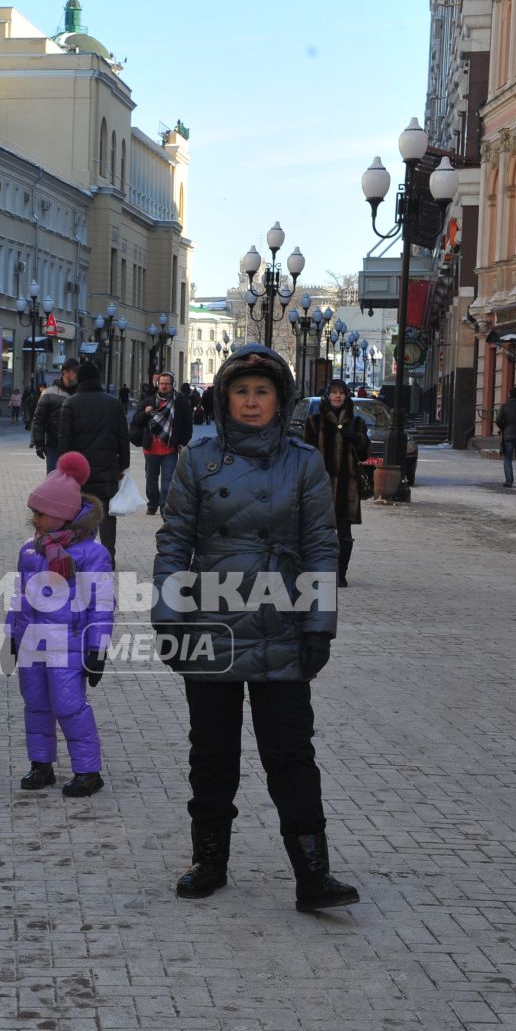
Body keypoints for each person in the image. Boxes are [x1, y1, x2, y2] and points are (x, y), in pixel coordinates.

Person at [152, 343, 358, 912]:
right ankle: (208, 861)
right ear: (223, 398)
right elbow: (174, 543)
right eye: (240, 391)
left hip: (282, 625)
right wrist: (168, 616)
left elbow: (321, 544)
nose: (250, 401)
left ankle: (313, 874)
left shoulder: (303, 461)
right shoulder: (199, 460)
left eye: (261, 392)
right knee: (212, 754)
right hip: (210, 624)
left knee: (290, 752)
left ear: (279, 399)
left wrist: (320, 625)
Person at [8, 451, 111, 798]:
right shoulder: (31, 550)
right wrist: (11, 635)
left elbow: (101, 605)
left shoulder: (91, 555)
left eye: (41, 513)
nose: (34, 519)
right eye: (34, 512)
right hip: (33, 642)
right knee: (35, 703)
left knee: (69, 705)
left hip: (68, 643)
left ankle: (88, 770)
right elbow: (20, 596)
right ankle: (41, 765)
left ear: (63, 515)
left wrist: (97, 648)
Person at [52, 359, 130, 561]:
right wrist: (123, 465)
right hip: (107, 468)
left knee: (78, 512)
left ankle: (79, 556)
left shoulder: (71, 403)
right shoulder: (113, 403)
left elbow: (64, 440)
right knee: (106, 514)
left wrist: (63, 469)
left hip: (79, 472)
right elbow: (123, 437)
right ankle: (108, 556)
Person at [301, 379, 371, 587]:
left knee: (345, 533)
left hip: (347, 489)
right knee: (318, 532)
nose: (338, 396)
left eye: (341, 393)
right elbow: (306, 455)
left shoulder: (356, 423)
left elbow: (365, 455)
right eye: (334, 392)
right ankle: (318, 572)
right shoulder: (314, 422)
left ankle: (341, 574)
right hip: (321, 487)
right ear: (327, 396)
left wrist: (357, 438)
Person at [135, 372, 192, 515]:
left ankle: (164, 507)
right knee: (151, 481)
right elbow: (136, 420)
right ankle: (152, 503)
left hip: (170, 448)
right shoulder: (150, 401)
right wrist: (145, 413)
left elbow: (187, 425)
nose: (164, 386)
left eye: (167, 384)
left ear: (172, 385)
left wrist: (182, 442)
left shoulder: (180, 402)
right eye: (161, 383)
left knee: (168, 480)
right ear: (158, 384)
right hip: (151, 448)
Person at [31, 358, 80, 473]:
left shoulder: (81, 394)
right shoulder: (49, 393)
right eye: (75, 371)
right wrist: (39, 443)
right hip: (54, 445)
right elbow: (38, 419)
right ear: (65, 372)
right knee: (54, 480)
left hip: (77, 446)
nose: (77, 374)